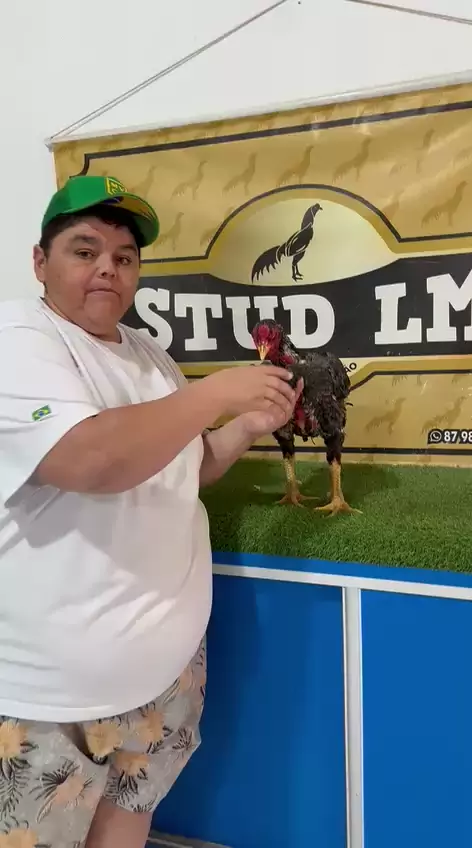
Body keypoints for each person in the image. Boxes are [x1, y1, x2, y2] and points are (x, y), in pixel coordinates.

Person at [0, 175, 301, 848]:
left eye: (125, 256)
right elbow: (92, 461)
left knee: (129, 825)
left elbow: (185, 467)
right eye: (85, 250)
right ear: (40, 262)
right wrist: (215, 394)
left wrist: (245, 427)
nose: (108, 267)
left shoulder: (148, 354)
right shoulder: (17, 339)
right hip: (53, 695)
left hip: (165, 676)